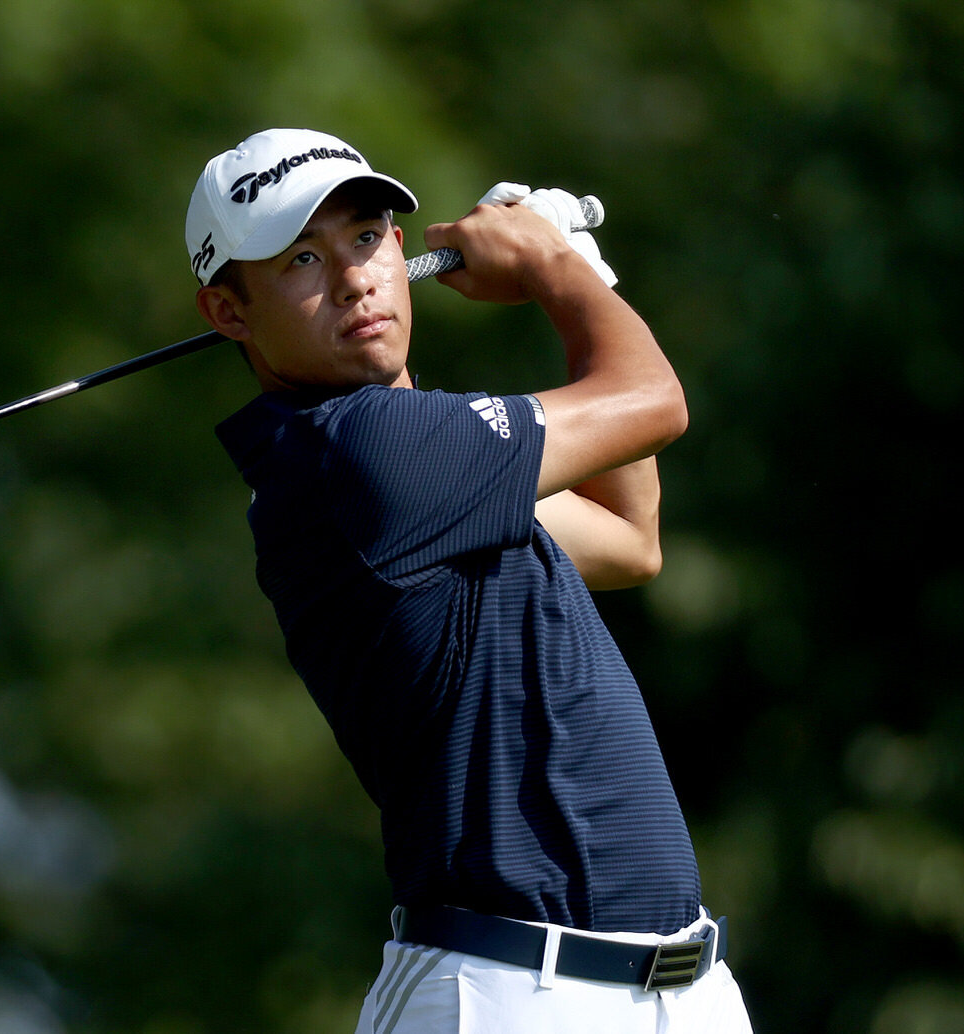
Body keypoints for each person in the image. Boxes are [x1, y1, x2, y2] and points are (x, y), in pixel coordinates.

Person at [188, 127, 754, 1033]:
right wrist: (549, 268)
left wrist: (582, 281)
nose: (352, 279)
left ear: (400, 248)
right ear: (230, 312)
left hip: (675, 988)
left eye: (365, 237)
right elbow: (656, 403)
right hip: (511, 994)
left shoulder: (417, 468)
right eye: (301, 258)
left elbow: (626, 535)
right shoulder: (362, 453)